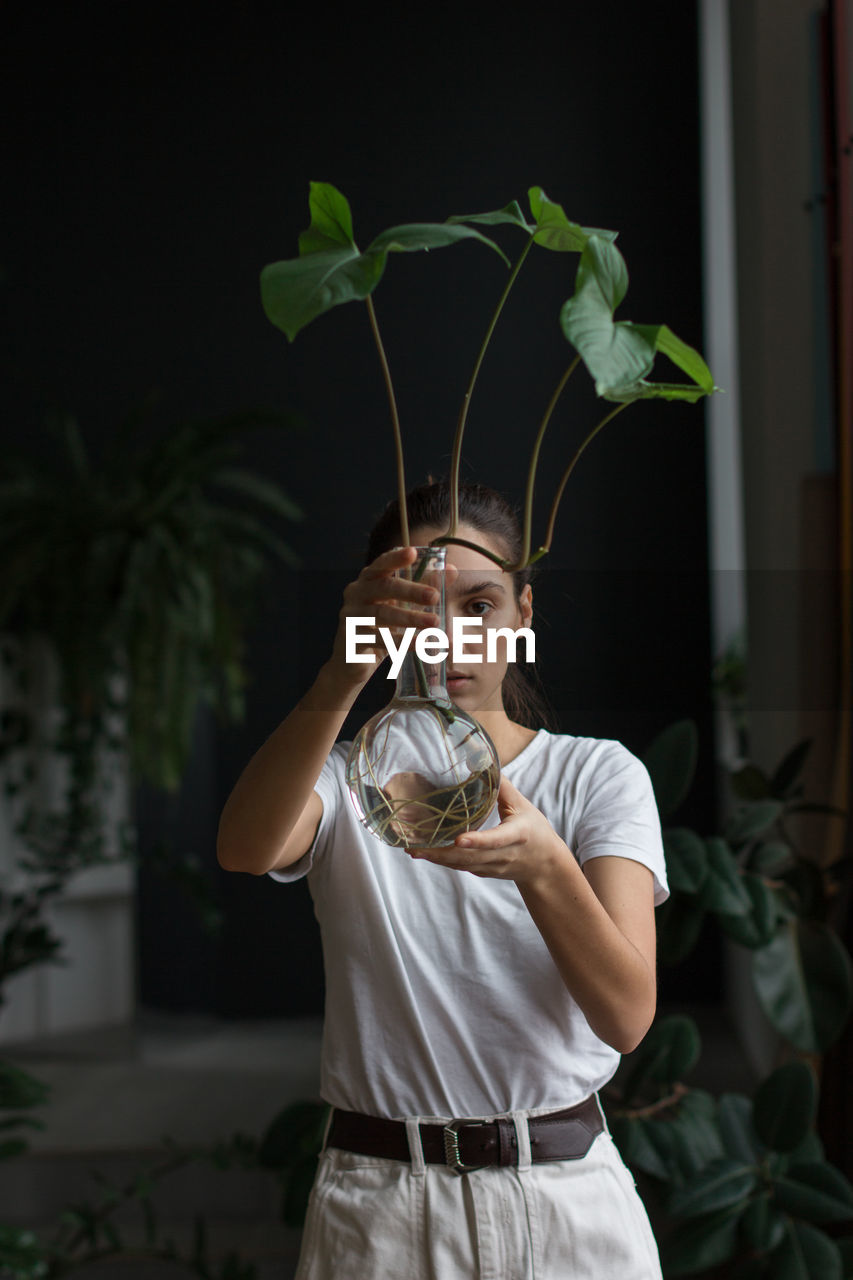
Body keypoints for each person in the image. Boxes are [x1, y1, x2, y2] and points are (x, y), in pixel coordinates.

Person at [217, 478, 668, 1279]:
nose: (449, 640)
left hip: (565, 1201)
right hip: (381, 1207)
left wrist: (543, 866)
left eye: (480, 606)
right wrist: (339, 675)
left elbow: (627, 1018)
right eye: (418, 609)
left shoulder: (594, 776)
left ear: (522, 616)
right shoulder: (345, 778)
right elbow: (247, 848)